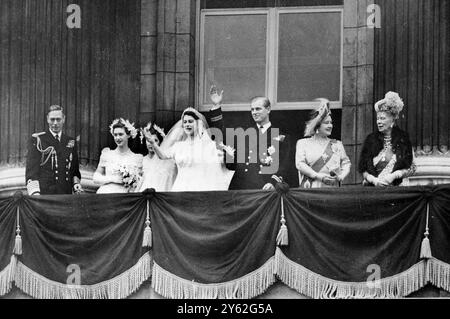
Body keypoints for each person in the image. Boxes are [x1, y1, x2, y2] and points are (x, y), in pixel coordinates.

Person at [206, 86, 294, 190]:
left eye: (258, 109)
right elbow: (220, 136)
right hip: (242, 188)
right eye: (252, 109)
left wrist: (273, 182)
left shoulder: (281, 136)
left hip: (265, 189)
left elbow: (285, 165)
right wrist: (216, 106)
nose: (254, 112)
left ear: (268, 109)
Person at [147, 107, 234, 192]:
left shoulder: (207, 146)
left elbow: (216, 167)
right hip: (180, 188)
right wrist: (153, 144)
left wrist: (228, 155)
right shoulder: (179, 146)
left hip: (200, 188)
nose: (187, 124)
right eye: (185, 122)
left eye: (190, 121)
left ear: (198, 123)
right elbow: (162, 155)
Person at [359, 91, 414, 186]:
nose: (379, 122)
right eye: (378, 118)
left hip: (396, 190)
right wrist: (373, 180)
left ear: (392, 119)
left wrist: (394, 176)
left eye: (383, 118)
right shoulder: (371, 140)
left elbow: (412, 167)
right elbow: (363, 168)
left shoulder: (403, 139)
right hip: (373, 190)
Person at [25, 105, 82, 195]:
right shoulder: (37, 140)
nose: (55, 123)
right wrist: (35, 193)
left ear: (63, 119)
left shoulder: (70, 141)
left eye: (58, 119)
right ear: (47, 119)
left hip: (65, 193)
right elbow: (32, 171)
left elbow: (74, 170)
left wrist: (76, 184)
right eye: (52, 119)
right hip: (45, 194)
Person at [296, 99, 351, 188]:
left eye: (331, 123)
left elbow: (346, 163)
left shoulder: (337, 144)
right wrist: (318, 176)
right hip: (311, 188)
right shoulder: (303, 143)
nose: (330, 126)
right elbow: (300, 164)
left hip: (332, 190)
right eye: (326, 123)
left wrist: (341, 176)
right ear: (317, 126)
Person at [93, 118, 143, 193]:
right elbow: (95, 178)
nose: (117, 138)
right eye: (115, 135)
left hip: (126, 195)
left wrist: (130, 181)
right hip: (107, 193)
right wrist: (113, 179)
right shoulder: (107, 155)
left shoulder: (137, 158)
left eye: (121, 134)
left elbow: (139, 182)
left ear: (128, 135)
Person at [136, 122, 177, 192]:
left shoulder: (165, 161)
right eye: (148, 141)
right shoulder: (143, 160)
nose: (150, 143)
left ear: (160, 142)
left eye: (156, 140)